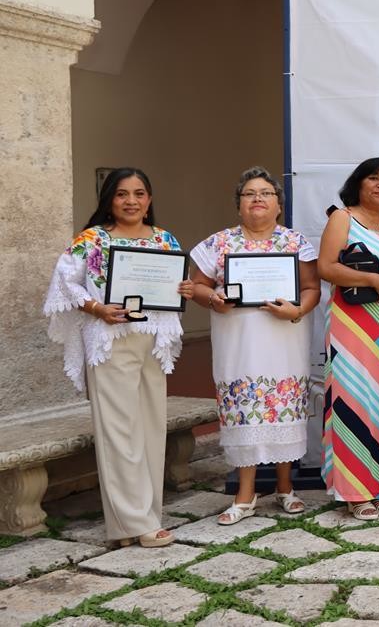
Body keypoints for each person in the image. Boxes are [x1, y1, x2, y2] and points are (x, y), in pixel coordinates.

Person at [43, 167, 194, 548]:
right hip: (110, 341)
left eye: (139, 193)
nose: (131, 201)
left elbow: (174, 283)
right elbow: (64, 283)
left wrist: (185, 288)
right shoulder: (92, 239)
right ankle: (136, 523)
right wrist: (96, 307)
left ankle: (136, 521)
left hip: (151, 343)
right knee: (118, 433)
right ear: (109, 199)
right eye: (122, 194)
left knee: (150, 428)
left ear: (150, 199)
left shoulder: (164, 239)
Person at [188, 167, 321, 525]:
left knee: (283, 409)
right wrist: (214, 298)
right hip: (239, 342)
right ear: (239, 204)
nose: (258, 199)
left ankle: (285, 488)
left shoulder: (295, 243)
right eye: (249, 193)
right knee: (244, 409)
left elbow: (312, 288)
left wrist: (298, 309)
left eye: (266, 193)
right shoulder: (218, 243)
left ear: (279, 204)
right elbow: (196, 286)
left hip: (284, 340)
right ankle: (245, 495)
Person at [317, 157, 379, 520]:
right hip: (350, 324)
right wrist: (371, 279)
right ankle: (354, 492)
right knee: (352, 400)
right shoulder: (343, 217)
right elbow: (325, 268)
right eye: (374, 178)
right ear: (359, 182)